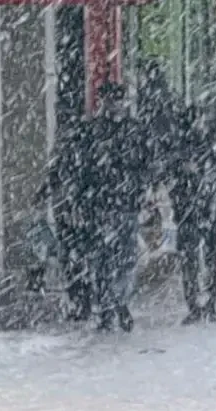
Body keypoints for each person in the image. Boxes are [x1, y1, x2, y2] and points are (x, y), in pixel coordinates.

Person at [85, 83, 155, 332]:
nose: (114, 105)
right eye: (109, 100)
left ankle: (120, 303)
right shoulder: (95, 131)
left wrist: (143, 189)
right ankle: (107, 306)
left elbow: (147, 164)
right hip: (103, 204)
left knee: (124, 257)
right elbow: (85, 169)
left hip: (125, 203)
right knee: (104, 259)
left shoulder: (135, 130)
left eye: (118, 100)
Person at [171, 107, 216, 324]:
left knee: (207, 258)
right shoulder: (184, 149)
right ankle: (198, 304)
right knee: (194, 259)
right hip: (193, 211)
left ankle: (207, 303)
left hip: (207, 209)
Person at [42, 124, 94, 321]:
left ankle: (81, 303)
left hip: (72, 218)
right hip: (69, 218)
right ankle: (81, 302)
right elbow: (52, 182)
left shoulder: (73, 159)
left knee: (74, 260)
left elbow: (54, 182)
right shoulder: (70, 159)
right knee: (74, 260)